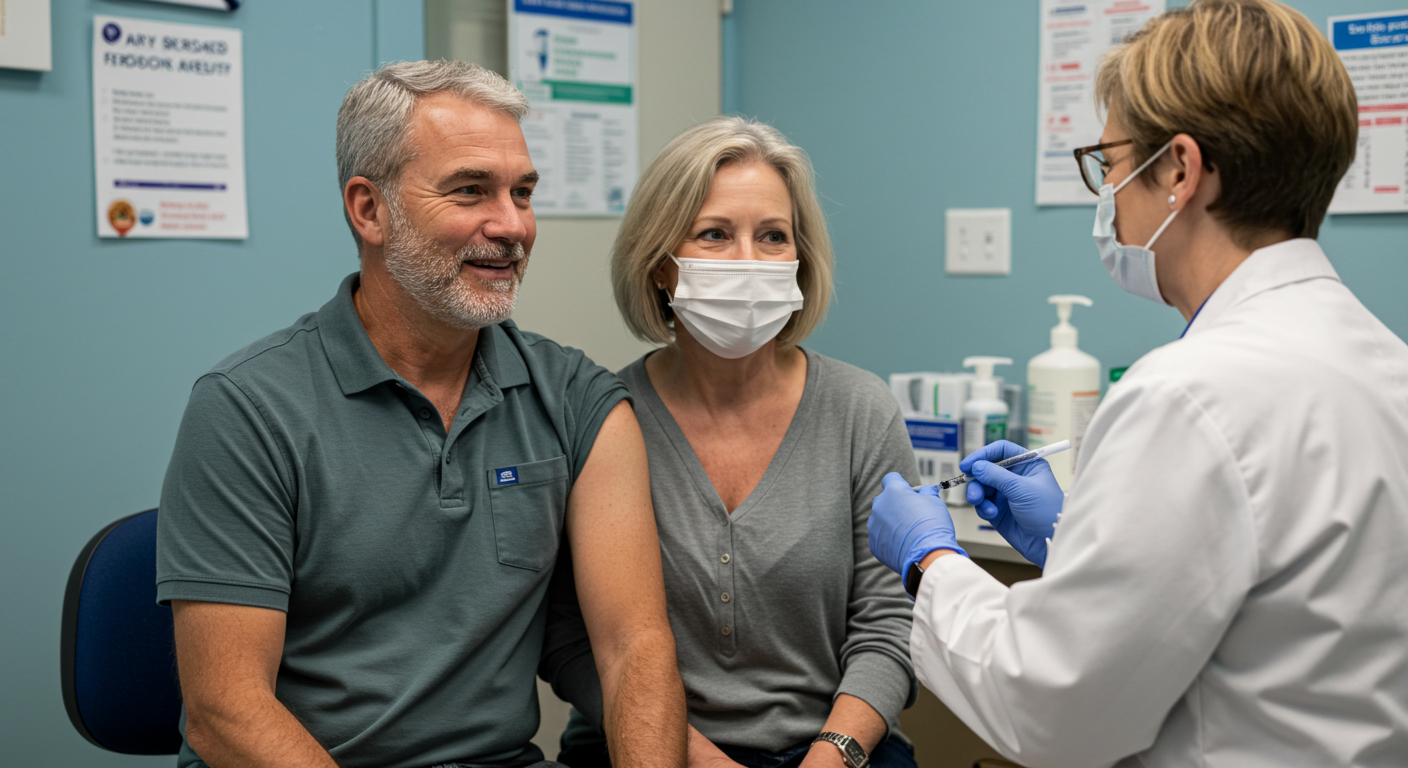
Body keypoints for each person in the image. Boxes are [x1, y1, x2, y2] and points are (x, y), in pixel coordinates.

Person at [868, 1, 1408, 766]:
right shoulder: (1382, 360)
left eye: (1111, 163)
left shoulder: (1188, 395)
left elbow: (1055, 710)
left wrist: (930, 564)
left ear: (1181, 170)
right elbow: (1269, 618)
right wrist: (1068, 543)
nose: (1108, 193)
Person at [155, 61, 686, 768]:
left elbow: (633, 651)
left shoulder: (578, 401)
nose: (512, 226)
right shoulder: (249, 408)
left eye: (522, 193)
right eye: (470, 190)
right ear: (369, 209)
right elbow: (226, 713)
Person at [543, 117, 920, 768]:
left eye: (772, 236)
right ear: (661, 266)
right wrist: (688, 755)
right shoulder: (603, 415)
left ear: (799, 260)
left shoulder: (861, 411)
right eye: (715, 234)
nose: (749, 259)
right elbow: (570, 634)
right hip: (643, 748)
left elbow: (890, 622)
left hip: (832, 749)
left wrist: (831, 755)